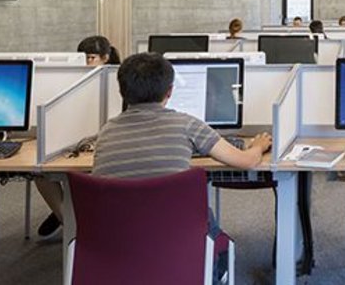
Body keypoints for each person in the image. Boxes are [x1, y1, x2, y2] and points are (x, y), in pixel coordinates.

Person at [92, 53, 271, 283]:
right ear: (169, 92)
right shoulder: (187, 124)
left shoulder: (106, 131)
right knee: (208, 217)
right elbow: (247, 161)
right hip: (174, 239)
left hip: (116, 239)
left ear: (122, 93)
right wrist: (258, 146)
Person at [35, 34, 121, 237]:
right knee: (42, 174)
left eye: (91, 57)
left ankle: (70, 213)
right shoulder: (73, 81)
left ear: (105, 57)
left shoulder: (119, 80)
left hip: (108, 141)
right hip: (76, 141)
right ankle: (69, 222)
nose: (86, 63)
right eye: (82, 58)